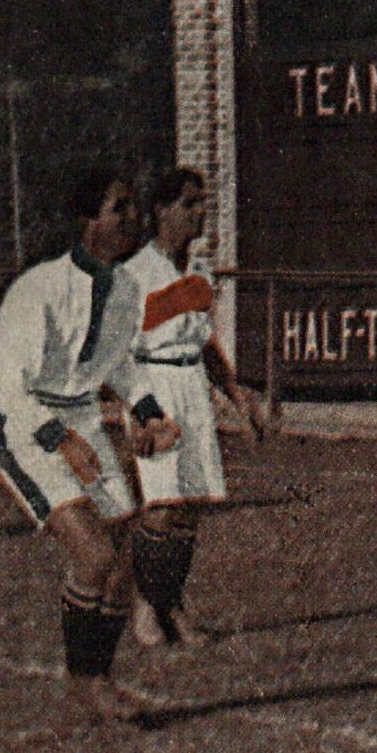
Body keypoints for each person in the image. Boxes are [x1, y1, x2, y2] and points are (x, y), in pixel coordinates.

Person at [0, 167, 181, 723]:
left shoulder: (125, 290)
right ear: (87, 220)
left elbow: (119, 365)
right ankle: (83, 681)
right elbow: (6, 384)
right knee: (94, 555)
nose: (132, 219)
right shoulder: (39, 288)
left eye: (132, 207)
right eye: (119, 208)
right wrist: (60, 439)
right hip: (27, 427)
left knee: (124, 562)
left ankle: (98, 677)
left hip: (83, 422)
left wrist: (150, 415)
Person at [120, 167, 267, 648]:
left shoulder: (198, 273)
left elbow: (204, 344)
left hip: (192, 388)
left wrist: (237, 396)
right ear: (161, 210)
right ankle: (145, 608)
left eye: (203, 201)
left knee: (190, 509)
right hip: (154, 388)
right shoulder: (135, 274)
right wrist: (139, 415)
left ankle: (173, 606)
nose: (201, 211)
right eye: (189, 203)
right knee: (162, 507)